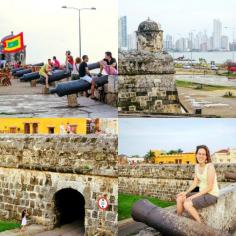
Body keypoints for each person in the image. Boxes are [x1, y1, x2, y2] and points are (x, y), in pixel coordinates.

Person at [176, 145, 219, 223]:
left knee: (187, 204)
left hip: (211, 195)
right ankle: (178, 221)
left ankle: (200, 223)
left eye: (203, 154)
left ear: (206, 157)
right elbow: (195, 182)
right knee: (180, 198)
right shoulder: (196, 166)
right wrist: (185, 192)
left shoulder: (210, 167)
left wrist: (193, 196)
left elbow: (210, 187)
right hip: (202, 193)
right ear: (196, 155)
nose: (201, 156)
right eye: (199, 154)